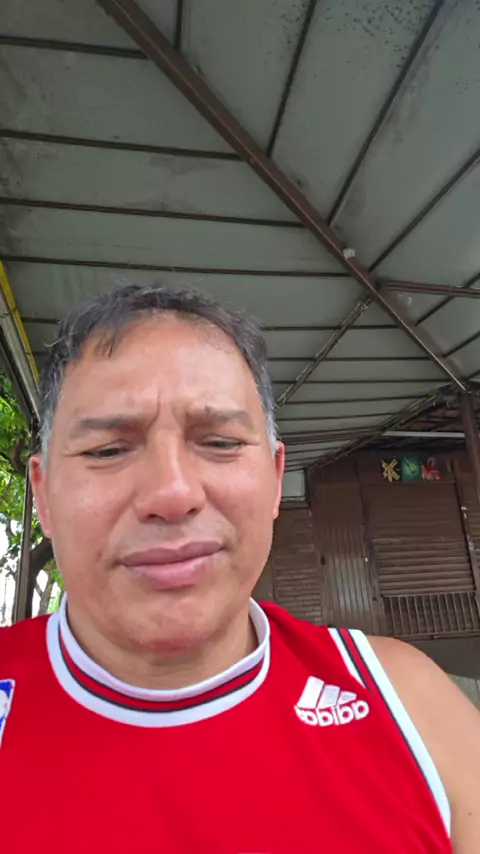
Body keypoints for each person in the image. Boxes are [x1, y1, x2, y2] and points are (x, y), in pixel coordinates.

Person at [1, 283, 479, 854]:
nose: (172, 493)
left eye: (221, 442)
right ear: (43, 494)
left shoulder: (407, 703)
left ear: (276, 479)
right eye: (107, 450)